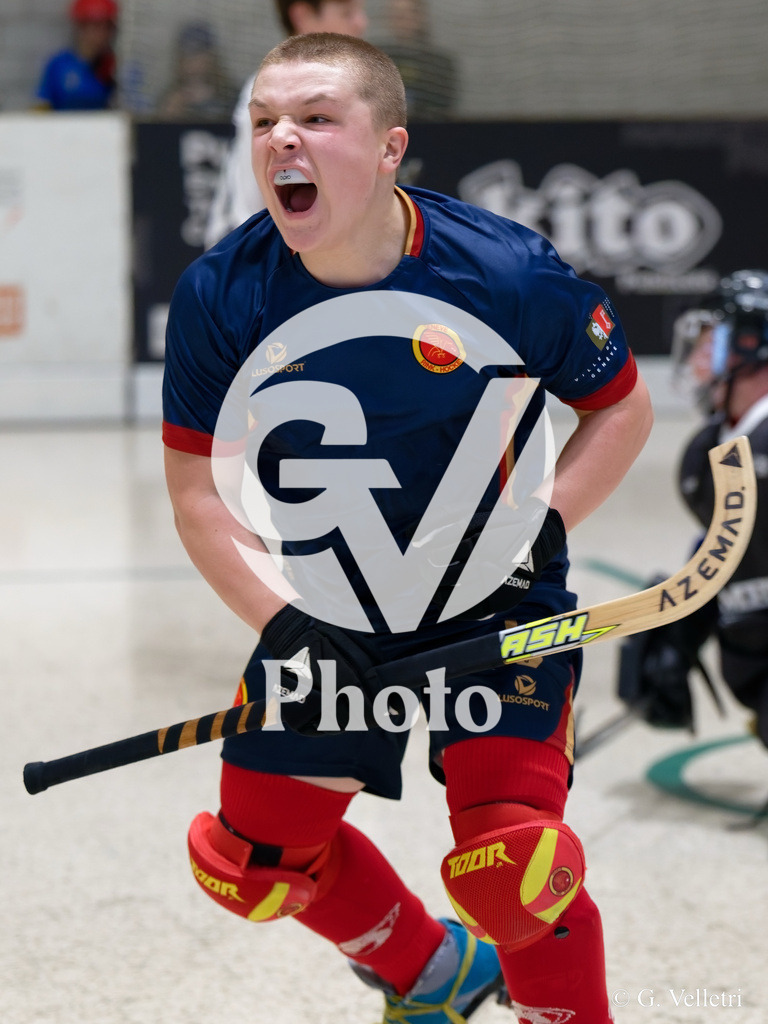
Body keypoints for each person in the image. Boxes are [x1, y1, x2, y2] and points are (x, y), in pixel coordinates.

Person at [162, 33, 653, 1023]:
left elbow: (623, 409)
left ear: (390, 148)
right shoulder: (223, 293)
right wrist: (284, 622)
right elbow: (196, 491)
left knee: (513, 867)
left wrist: (532, 529)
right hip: (332, 607)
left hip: (499, 601)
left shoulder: (507, 273)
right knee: (249, 859)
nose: (280, 141)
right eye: (263, 123)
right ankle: (438, 975)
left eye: (314, 119)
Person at [618, 271, 768, 806]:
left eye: (715, 338)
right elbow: (736, 543)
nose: (701, 356)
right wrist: (689, 616)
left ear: (751, 346)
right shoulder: (715, 445)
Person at [204, 0, 368, 248]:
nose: (360, 23)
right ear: (302, 16)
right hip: (251, 259)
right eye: (347, 13)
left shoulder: (357, 86)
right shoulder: (268, 91)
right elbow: (249, 209)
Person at [380, 0, 457, 121]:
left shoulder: (439, 63)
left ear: (420, 16)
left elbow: (444, 108)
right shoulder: (378, 59)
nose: (402, 20)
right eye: (397, 15)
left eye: (406, 14)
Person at [34, 0, 118, 112]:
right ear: (80, 28)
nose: (102, 34)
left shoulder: (116, 67)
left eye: (107, 27)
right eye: (96, 26)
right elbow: (42, 105)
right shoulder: (59, 65)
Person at [156, 20, 239, 121]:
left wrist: (209, 104)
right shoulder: (170, 95)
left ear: (211, 57)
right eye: (186, 56)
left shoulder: (229, 94)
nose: (192, 63)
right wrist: (168, 114)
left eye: (198, 55)